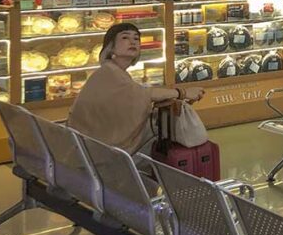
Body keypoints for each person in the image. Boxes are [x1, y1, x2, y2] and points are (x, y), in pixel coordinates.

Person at [69, 22, 204, 154]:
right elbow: (145, 95)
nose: (132, 42)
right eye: (125, 37)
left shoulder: (111, 71)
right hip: (97, 152)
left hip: (83, 146)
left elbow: (132, 99)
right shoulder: (110, 73)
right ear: (111, 47)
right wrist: (182, 93)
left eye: (136, 38)